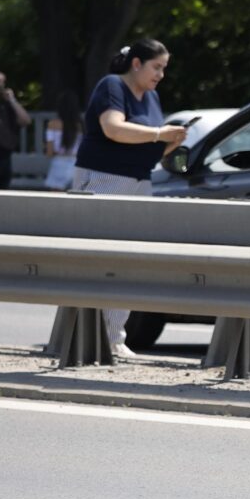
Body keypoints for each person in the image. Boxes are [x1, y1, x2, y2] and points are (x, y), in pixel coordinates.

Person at [72, 41, 187, 357]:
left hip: (139, 179)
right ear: (136, 63)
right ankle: (80, 335)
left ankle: (113, 337)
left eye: (164, 68)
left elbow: (149, 146)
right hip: (103, 176)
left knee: (127, 259)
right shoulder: (112, 85)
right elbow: (112, 128)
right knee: (97, 258)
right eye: (157, 67)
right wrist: (160, 134)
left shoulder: (151, 97)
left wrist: (172, 141)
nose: (161, 75)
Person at [43, 88, 83, 191]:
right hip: (77, 165)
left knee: (56, 201)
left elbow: (49, 152)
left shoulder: (53, 124)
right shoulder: (81, 126)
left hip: (59, 163)